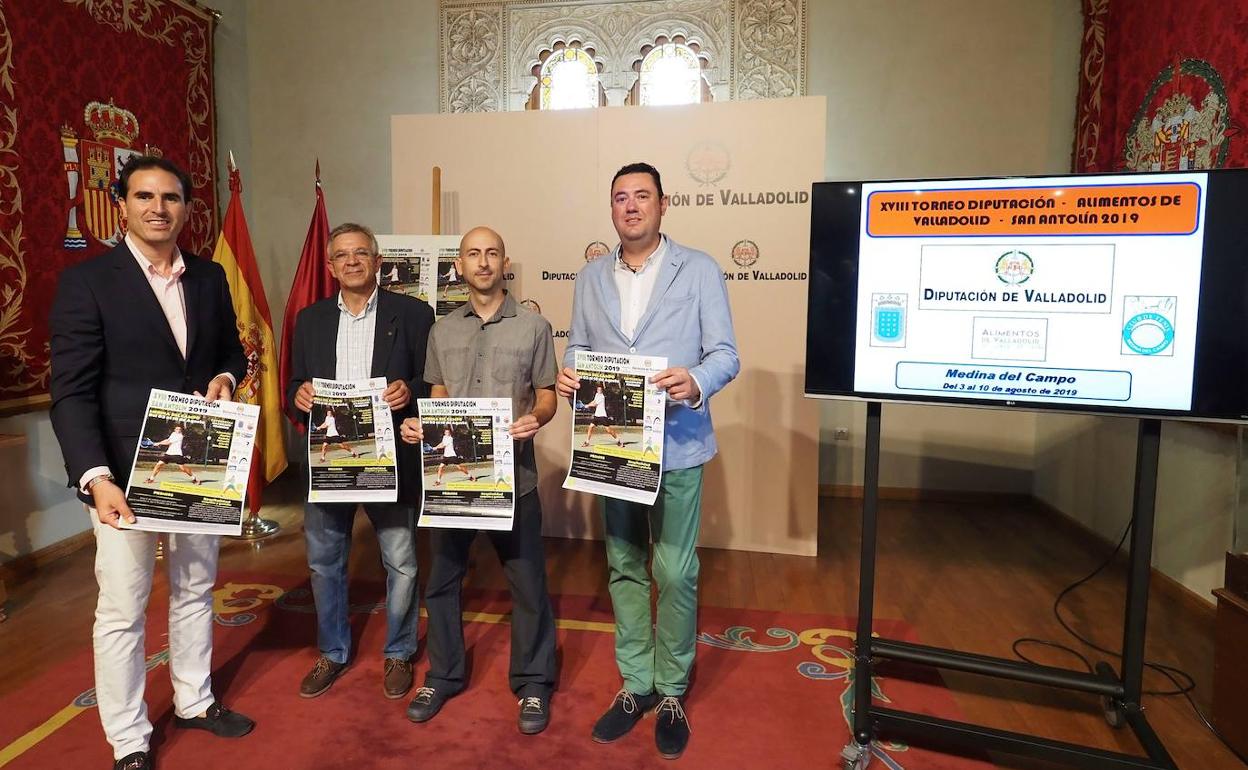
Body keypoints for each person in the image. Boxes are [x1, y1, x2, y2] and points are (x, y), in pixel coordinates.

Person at [48, 155, 254, 770]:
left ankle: (194, 699)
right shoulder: (88, 283)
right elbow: (72, 393)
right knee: (122, 608)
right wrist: (95, 478)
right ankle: (129, 738)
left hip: (198, 464)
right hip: (122, 476)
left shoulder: (210, 277)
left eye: (170, 197)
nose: (158, 208)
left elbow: (231, 353)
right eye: (144, 196)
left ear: (186, 208)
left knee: (195, 588)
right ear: (122, 205)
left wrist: (225, 377)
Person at [557, 162, 739, 759]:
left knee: (676, 572)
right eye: (620, 197)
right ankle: (637, 683)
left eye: (642, 196)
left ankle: (673, 689)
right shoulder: (590, 275)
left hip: (679, 444)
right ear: (611, 208)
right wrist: (571, 373)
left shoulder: (700, 268)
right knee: (624, 563)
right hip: (613, 447)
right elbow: (578, 345)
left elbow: (725, 354)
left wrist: (697, 380)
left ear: (663, 204)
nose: (631, 206)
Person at [400, 226, 559, 735]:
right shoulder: (442, 330)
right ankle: (443, 675)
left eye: (492, 253)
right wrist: (424, 426)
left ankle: (533, 682)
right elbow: (439, 396)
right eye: (474, 254)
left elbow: (548, 394)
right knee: (442, 582)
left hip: (516, 479)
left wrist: (537, 417)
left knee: (528, 583)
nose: (484, 262)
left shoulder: (534, 326)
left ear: (504, 263)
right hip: (453, 480)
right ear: (460, 266)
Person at [286, 222, 435, 701]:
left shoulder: (414, 314)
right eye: (342, 255)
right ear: (331, 267)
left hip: (389, 460)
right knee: (324, 562)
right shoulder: (309, 320)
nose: (352, 261)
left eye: (361, 253)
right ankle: (332, 651)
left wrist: (411, 390)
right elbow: (293, 385)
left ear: (377, 261)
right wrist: (299, 395)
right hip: (328, 461)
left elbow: (432, 380)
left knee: (401, 561)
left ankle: (399, 651)